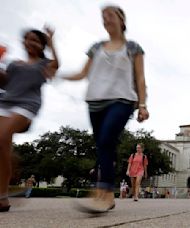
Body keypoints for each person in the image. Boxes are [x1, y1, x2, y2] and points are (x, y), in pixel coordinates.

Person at [64, 5, 149, 212]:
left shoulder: (133, 47)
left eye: (110, 15)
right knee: (103, 146)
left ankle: (106, 193)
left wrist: (143, 104)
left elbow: (139, 77)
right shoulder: (96, 47)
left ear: (121, 20)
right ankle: (104, 193)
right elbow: (83, 73)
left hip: (122, 99)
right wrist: (58, 74)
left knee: (106, 139)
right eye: (103, 16)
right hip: (95, 101)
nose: (106, 19)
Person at [0, 27, 59, 212]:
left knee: (1, 138)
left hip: (26, 105)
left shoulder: (43, 64)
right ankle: (2, 198)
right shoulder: (14, 64)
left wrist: (52, 43)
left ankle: (13, 170)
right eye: (27, 39)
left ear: (42, 44)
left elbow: (57, 65)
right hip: (4, 102)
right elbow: (4, 82)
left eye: (35, 40)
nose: (30, 42)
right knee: (3, 147)